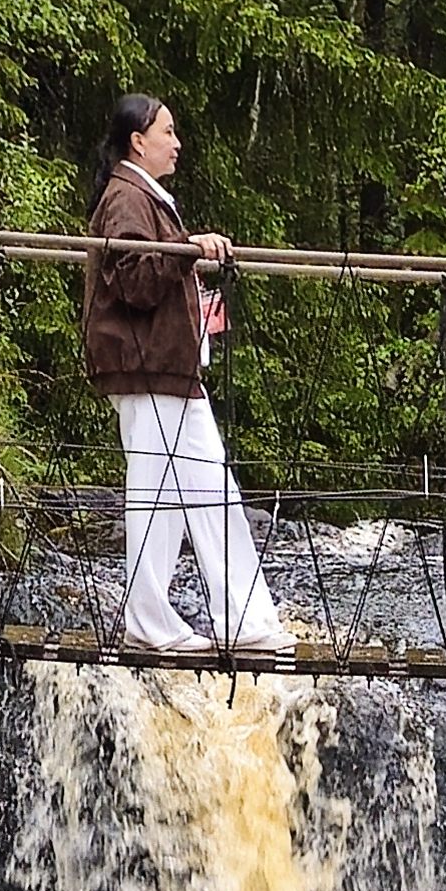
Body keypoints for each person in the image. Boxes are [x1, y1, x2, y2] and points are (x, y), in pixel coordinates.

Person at [84, 94, 284, 654]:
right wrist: (187, 249)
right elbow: (133, 279)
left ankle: (239, 619)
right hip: (146, 367)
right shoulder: (126, 197)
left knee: (202, 490)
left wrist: (185, 250)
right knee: (161, 496)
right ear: (137, 142)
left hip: (164, 367)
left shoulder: (139, 196)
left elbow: (145, 268)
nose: (177, 143)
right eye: (167, 132)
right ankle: (159, 622)